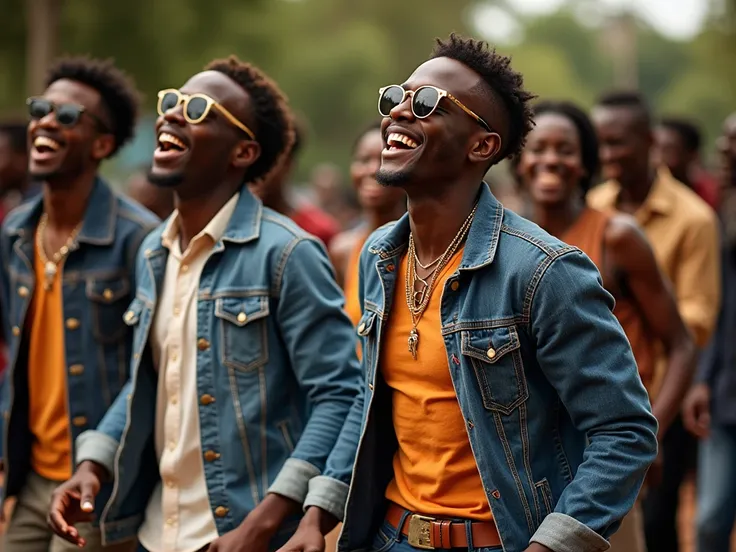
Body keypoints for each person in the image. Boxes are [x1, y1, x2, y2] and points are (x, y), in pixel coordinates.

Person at [281, 34, 658, 552]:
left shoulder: (544, 271)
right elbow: (366, 404)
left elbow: (624, 430)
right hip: (388, 536)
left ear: (481, 145)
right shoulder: (379, 256)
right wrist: (317, 512)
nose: (399, 114)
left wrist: (553, 545)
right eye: (396, 98)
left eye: (429, 103)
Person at [47, 56, 361, 552]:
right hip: (153, 532)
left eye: (197, 109)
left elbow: (340, 394)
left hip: (243, 533)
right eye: (170, 102)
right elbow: (145, 381)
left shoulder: (287, 254)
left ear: (242, 152)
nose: (172, 114)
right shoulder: (153, 251)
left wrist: (262, 522)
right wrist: (93, 464)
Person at [516, 100, 697, 552]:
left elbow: (681, 344)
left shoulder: (618, 236)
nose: (551, 160)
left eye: (566, 149)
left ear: (587, 163)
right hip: (523, 461)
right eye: (538, 148)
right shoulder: (502, 242)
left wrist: (649, 435)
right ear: (519, 160)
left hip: (600, 455)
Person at [0, 56, 159, 551]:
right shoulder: (16, 234)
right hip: (29, 480)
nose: (46, 121)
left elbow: (149, 374)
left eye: (67, 116)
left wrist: (97, 462)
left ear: (103, 145)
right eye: (41, 109)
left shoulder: (140, 242)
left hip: (101, 487)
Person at [588, 91, 721, 552]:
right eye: (600, 145)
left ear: (649, 142)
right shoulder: (594, 203)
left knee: (660, 521)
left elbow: (697, 319)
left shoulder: (694, 219)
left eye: (618, 143)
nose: (607, 156)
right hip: (596, 397)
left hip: (663, 393)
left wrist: (636, 313)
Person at [682, 111, 736, 552]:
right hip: (726, 396)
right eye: (723, 141)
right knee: (710, 522)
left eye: (733, 143)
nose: (724, 151)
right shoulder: (723, 215)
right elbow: (720, 310)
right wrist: (702, 379)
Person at [328, 121, 406, 312]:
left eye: (384, 160)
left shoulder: (422, 250)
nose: (372, 170)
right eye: (363, 160)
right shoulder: (343, 251)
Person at [250, 125, 340, 247]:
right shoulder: (226, 225)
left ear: (288, 163)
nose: (254, 168)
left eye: (265, 159)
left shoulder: (318, 231)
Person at [654, 117, 719, 210]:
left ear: (692, 155)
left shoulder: (711, 195)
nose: (657, 159)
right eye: (654, 149)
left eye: (668, 151)